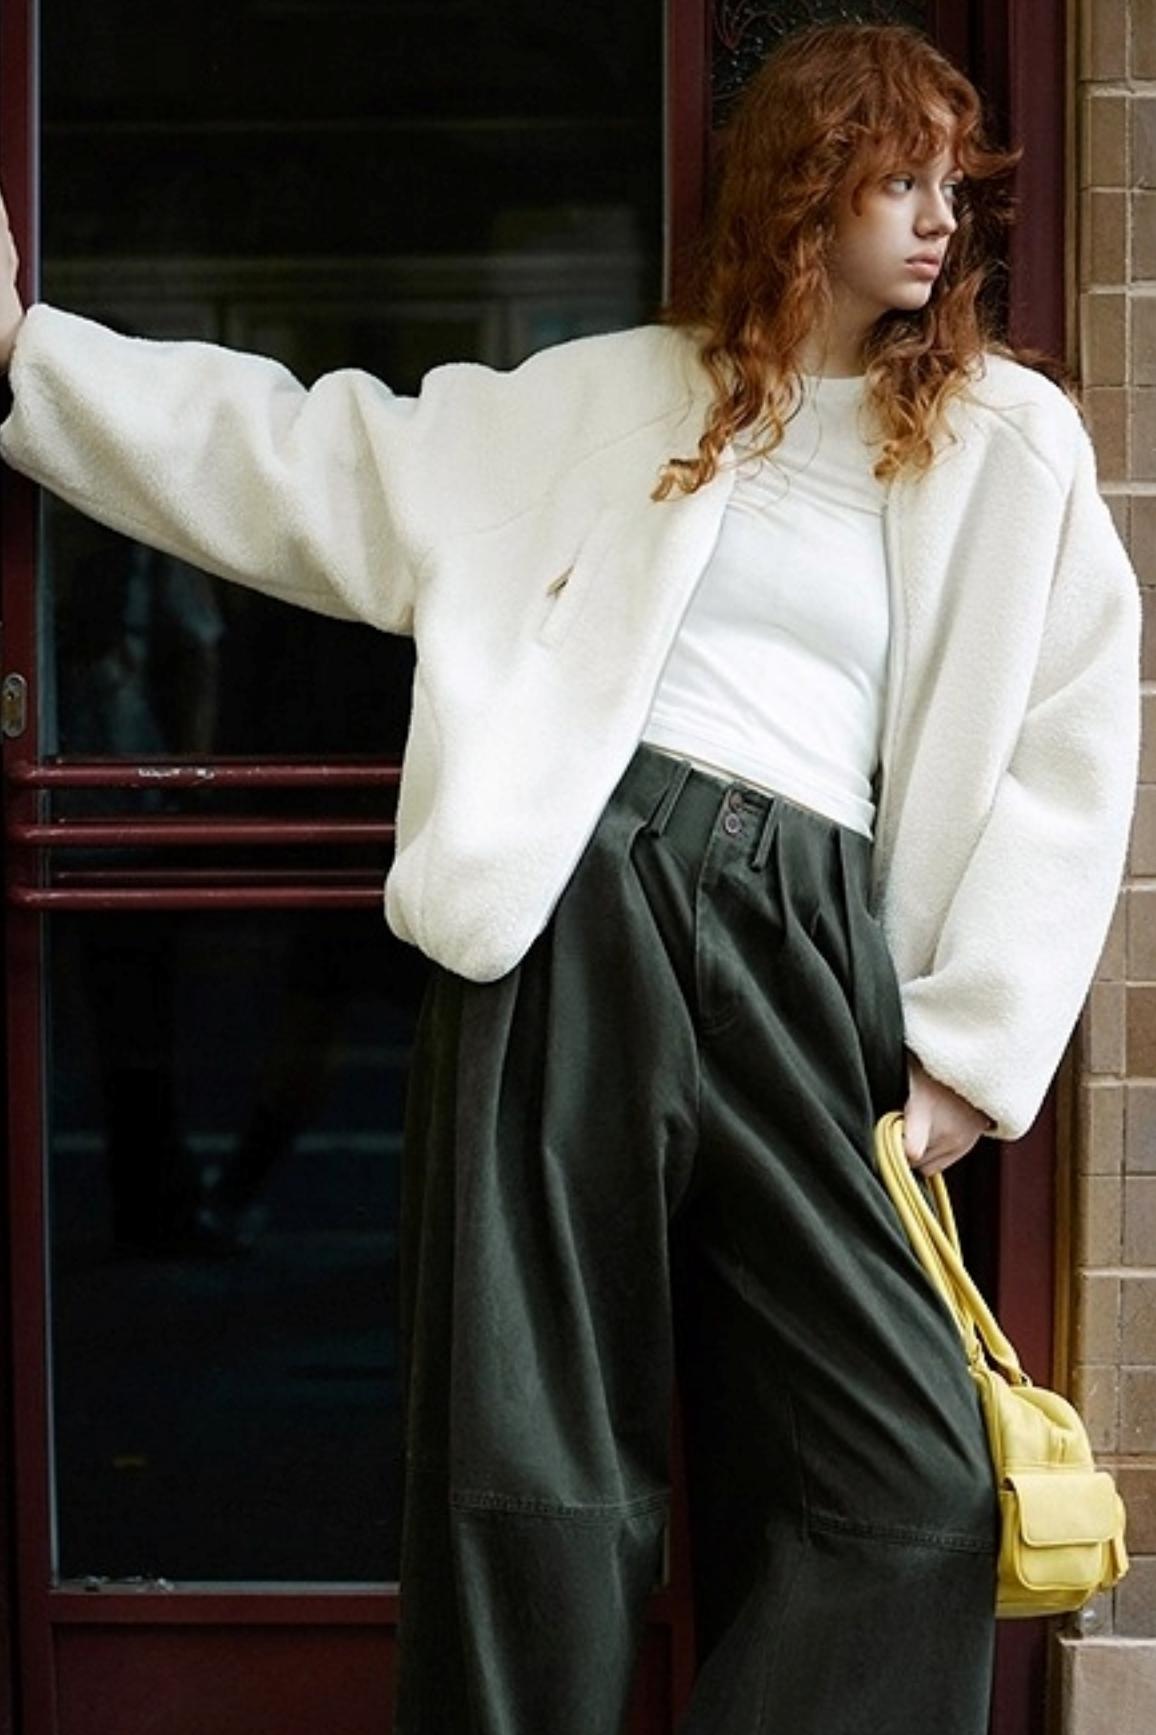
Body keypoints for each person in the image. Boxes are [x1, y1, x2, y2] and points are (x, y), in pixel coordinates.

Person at [0, 19, 1139, 1735]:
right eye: (897, 180)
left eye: (950, 186)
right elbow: (315, 455)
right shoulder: (610, 400)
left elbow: (1075, 742)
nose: (939, 220)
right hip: (578, 909)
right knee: (529, 1471)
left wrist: (975, 1046)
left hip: (812, 947)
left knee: (911, 1483)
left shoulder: (1008, 443)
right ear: (804, 189)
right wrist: (28, 357)